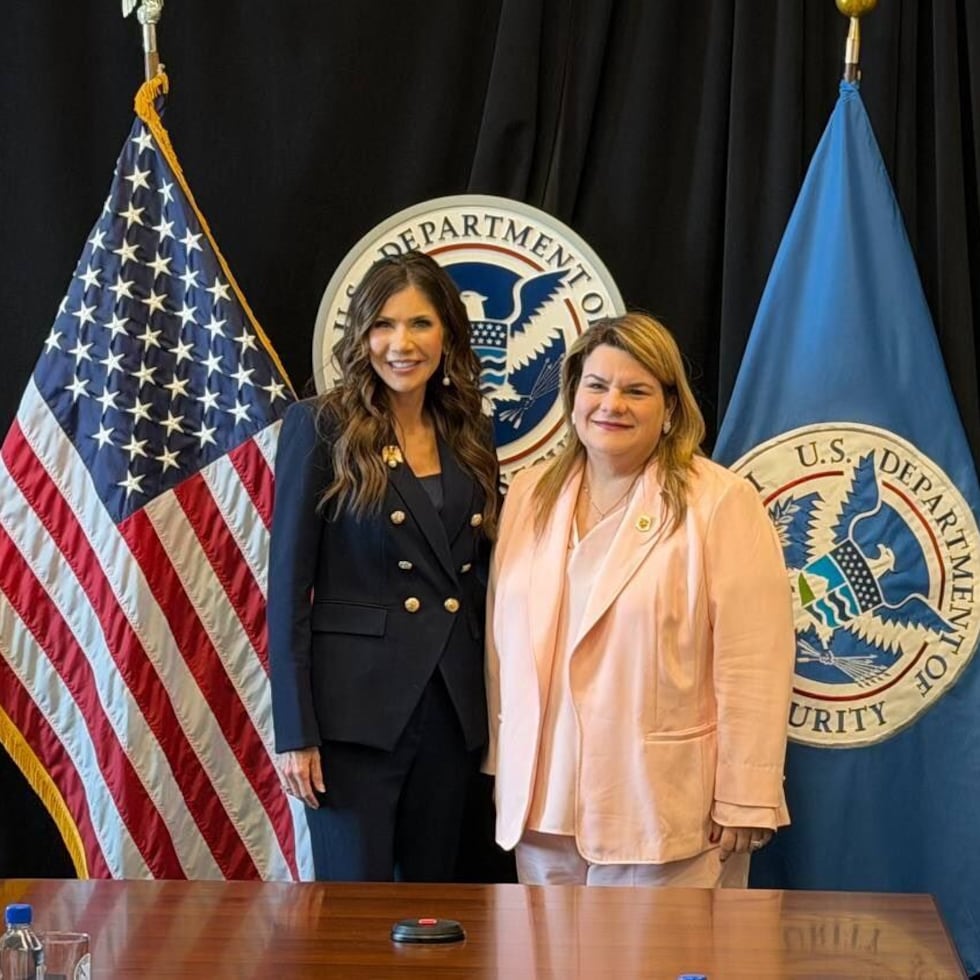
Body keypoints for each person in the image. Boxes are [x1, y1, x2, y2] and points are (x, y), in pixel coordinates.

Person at [484, 312, 795, 887]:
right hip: (542, 803)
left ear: (670, 408)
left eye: (636, 391)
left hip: (664, 806)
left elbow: (754, 660)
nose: (611, 405)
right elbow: (501, 648)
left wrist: (747, 794)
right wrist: (506, 758)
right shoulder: (529, 494)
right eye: (596, 386)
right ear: (573, 395)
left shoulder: (720, 502)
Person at [268, 250, 499, 881]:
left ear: (447, 332)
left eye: (421, 324)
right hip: (353, 720)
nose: (402, 343)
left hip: (451, 711)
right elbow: (287, 590)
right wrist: (296, 731)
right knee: (352, 920)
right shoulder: (320, 426)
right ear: (362, 334)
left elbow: (483, 579)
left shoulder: (469, 431)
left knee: (431, 913)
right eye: (384, 325)